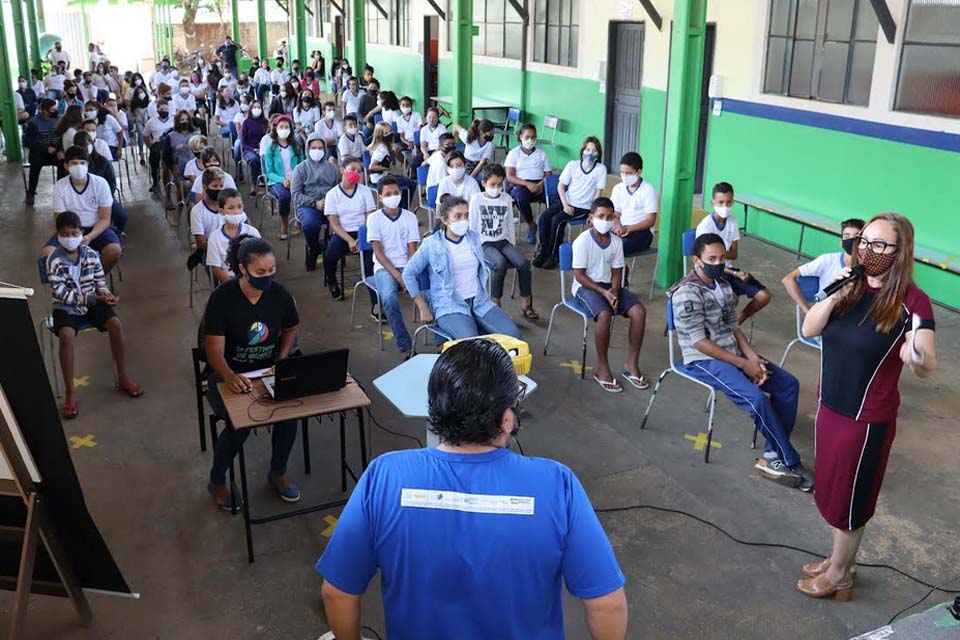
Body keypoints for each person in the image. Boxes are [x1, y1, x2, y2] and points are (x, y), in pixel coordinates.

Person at [317, 338, 628, 640]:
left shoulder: (384, 476)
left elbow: (337, 592)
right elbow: (608, 604)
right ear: (507, 419)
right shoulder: (557, 484)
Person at [796, 213, 937, 601]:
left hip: (865, 419)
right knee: (830, 489)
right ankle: (839, 559)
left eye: (879, 245)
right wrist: (839, 293)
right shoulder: (850, 284)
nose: (867, 250)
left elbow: (927, 363)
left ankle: (841, 574)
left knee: (851, 498)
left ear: (899, 251)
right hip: (830, 407)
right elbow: (810, 329)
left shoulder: (913, 302)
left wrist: (917, 354)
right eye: (864, 241)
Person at [670, 232, 812, 489]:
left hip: (731, 352)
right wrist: (743, 365)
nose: (718, 263)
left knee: (788, 384)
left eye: (722, 257)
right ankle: (790, 460)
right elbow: (699, 343)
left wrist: (753, 358)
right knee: (755, 398)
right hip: (703, 359)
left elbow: (733, 327)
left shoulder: (723, 285)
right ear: (696, 260)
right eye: (711, 258)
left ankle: (771, 455)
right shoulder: (686, 293)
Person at [204, 235, 302, 509]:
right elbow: (213, 350)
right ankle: (217, 479)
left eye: (271, 270)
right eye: (260, 272)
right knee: (240, 425)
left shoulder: (280, 294)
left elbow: (290, 329)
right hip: (228, 374)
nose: (267, 277)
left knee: (289, 415)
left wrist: (281, 360)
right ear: (242, 269)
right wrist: (229, 377)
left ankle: (278, 473)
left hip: (267, 371)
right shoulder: (222, 299)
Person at [46, 211, 142, 420]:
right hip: (66, 307)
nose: (70, 238)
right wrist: (94, 299)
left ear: (81, 233)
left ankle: (123, 377)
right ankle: (71, 392)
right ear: (58, 236)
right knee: (66, 335)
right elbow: (61, 294)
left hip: (92, 302)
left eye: (74, 233)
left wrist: (107, 296)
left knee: (115, 324)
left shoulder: (90, 255)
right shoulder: (53, 261)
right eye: (65, 234)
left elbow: (100, 283)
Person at [404, 196, 521, 340]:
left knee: (514, 336)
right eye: (457, 216)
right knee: (471, 342)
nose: (463, 221)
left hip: (479, 300)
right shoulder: (431, 244)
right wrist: (423, 307)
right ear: (445, 220)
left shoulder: (474, 238)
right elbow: (408, 273)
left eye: (466, 216)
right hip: (449, 304)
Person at [570, 198, 648, 392]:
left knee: (639, 312)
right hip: (586, 287)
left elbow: (617, 270)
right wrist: (603, 292)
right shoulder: (582, 241)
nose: (605, 220)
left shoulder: (616, 242)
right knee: (604, 315)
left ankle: (631, 365)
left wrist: (614, 290)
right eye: (600, 216)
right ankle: (602, 369)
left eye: (609, 217)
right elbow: (579, 275)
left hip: (608, 285)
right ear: (590, 218)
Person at [696, 182, 772, 325]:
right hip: (709, 272)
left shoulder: (732, 221)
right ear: (712, 202)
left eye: (728, 202)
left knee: (764, 296)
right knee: (732, 298)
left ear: (733, 202)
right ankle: (716, 329)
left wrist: (721, 258)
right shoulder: (705, 227)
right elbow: (707, 262)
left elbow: (734, 254)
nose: (725, 207)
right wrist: (730, 266)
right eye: (720, 202)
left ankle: (736, 324)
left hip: (728, 270)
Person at [469, 164, 537, 320]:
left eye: (500, 185)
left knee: (523, 263)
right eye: (492, 185)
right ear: (484, 183)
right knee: (500, 264)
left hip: (503, 241)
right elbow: (472, 226)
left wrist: (511, 246)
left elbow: (509, 225)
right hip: (485, 243)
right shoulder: (476, 199)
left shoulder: (506, 198)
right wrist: (473, 249)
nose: (496, 188)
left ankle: (526, 305)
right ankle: (495, 305)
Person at [362, 177, 421, 357]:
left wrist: (409, 274)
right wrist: (398, 277)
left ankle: (441, 342)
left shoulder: (410, 217)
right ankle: (405, 346)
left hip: (407, 266)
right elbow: (378, 253)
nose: (393, 197)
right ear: (379, 197)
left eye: (396, 193)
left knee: (429, 294)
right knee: (388, 297)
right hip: (384, 268)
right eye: (388, 194)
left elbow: (412, 249)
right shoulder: (374, 219)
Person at [41, 146, 122, 275]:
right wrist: (73, 236)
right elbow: (60, 220)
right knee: (47, 255)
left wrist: (89, 236)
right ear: (66, 166)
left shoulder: (100, 183)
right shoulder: (60, 186)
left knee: (114, 251)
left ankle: (95, 279)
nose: (79, 166)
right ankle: (71, 283)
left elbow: (105, 218)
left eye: (82, 163)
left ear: (87, 165)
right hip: (69, 230)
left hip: (96, 229)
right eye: (74, 163)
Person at [535, 136, 607, 269]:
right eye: (588, 149)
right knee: (544, 218)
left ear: (599, 154)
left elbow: (598, 193)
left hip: (583, 208)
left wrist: (594, 214)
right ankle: (543, 252)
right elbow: (560, 186)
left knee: (558, 220)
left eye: (594, 151)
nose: (590, 153)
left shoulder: (600, 169)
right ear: (582, 151)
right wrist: (565, 205)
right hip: (566, 202)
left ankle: (553, 255)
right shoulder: (572, 165)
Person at [323, 156, 377, 298]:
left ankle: (376, 302)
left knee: (369, 262)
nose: (356, 173)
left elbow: (370, 216)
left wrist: (361, 237)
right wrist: (350, 240)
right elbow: (334, 224)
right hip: (343, 233)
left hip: (364, 232)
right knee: (329, 257)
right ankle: (332, 281)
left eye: (359, 171)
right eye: (352, 169)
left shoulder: (365, 191)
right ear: (342, 170)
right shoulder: (332, 195)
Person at [782, 218, 866, 310]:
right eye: (847, 236)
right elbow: (788, 279)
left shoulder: (870, 267)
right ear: (841, 242)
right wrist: (808, 311)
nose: (851, 240)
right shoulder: (827, 260)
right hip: (825, 314)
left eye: (856, 236)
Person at [292, 132, 340, 271]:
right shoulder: (300, 169)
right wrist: (314, 203)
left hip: (329, 204)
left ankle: (333, 252)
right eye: (314, 148)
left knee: (345, 222)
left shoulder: (332, 168)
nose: (317, 151)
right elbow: (295, 194)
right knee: (310, 225)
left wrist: (328, 200)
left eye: (320, 148)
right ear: (308, 149)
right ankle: (315, 249)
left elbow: (337, 189)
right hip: (308, 205)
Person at [505, 123, 552, 245]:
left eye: (533, 137)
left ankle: (548, 228)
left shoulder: (542, 154)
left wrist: (541, 184)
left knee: (555, 198)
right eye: (527, 137)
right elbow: (510, 176)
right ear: (520, 137)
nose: (530, 140)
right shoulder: (514, 153)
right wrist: (527, 184)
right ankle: (532, 224)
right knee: (520, 197)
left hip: (540, 184)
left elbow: (548, 174)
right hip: (521, 184)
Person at [73, 130, 126, 234]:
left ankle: (117, 232)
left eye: (87, 144)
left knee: (121, 215)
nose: (85, 147)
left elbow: (112, 182)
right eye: (81, 145)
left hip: (103, 197)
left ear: (92, 144)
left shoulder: (102, 162)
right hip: (80, 200)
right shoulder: (74, 165)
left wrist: (104, 197)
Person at [206, 188, 261, 283]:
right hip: (230, 281)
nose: (236, 211)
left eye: (239, 207)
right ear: (221, 211)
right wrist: (234, 286)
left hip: (253, 278)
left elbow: (261, 258)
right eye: (231, 208)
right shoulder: (215, 238)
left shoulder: (252, 232)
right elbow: (216, 269)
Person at [610, 152, 658, 259]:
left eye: (628, 173)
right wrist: (617, 225)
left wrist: (629, 228)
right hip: (621, 228)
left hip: (642, 232)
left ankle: (622, 272)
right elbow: (615, 213)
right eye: (622, 173)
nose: (624, 176)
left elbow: (650, 221)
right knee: (600, 242)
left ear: (638, 172)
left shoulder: (648, 190)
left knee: (619, 247)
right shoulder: (618, 189)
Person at [264, 116, 303, 239]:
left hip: (295, 179)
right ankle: (284, 223)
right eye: (281, 127)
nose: (284, 129)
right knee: (284, 196)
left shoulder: (296, 146)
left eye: (287, 127)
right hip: (277, 181)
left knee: (307, 191)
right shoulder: (271, 148)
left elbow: (302, 166)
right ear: (275, 129)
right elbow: (269, 172)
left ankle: (300, 220)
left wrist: (295, 180)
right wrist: (283, 180)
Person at [367, 121, 416, 208]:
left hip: (384, 176)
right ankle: (403, 209)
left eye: (390, 131)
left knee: (410, 183)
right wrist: (387, 168)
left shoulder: (382, 145)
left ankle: (403, 208)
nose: (389, 134)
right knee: (406, 187)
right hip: (380, 179)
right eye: (386, 133)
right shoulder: (381, 149)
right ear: (380, 135)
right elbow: (372, 166)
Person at [23, 98, 61, 205]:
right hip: (39, 152)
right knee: (35, 166)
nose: (55, 112)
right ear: (45, 110)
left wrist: (59, 149)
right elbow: (28, 142)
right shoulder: (34, 122)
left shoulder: (59, 120)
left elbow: (63, 137)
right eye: (53, 110)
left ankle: (61, 190)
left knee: (64, 163)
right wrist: (45, 148)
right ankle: (31, 192)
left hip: (55, 151)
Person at [190, 168, 227, 255]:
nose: (219, 189)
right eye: (215, 186)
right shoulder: (197, 211)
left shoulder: (228, 206)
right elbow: (201, 244)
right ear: (204, 187)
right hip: (210, 252)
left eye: (221, 186)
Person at [143, 99, 174, 191]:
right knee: (154, 155)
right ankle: (155, 181)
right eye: (162, 109)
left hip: (172, 143)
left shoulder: (173, 120)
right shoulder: (151, 122)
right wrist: (150, 146)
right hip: (158, 143)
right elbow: (145, 135)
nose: (164, 111)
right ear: (157, 110)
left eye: (166, 109)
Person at [239, 100, 268, 195]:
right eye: (254, 107)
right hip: (249, 149)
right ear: (251, 109)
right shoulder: (246, 123)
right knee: (254, 160)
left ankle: (267, 182)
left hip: (263, 148)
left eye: (259, 107)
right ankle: (253, 183)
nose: (257, 110)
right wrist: (253, 149)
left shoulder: (265, 122)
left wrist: (262, 149)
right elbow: (243, 142)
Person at [394, 95, 422, 171]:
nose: (405, 107)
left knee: (416, 152)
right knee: (397, 150)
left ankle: (412, 169)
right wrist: (407, 143)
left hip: (417, 140)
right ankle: (407, 165)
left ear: (411, 106)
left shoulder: (417, 115)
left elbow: (420, 130)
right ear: (400, 106)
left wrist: (415, 142)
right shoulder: (399, 119)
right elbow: (401, 136)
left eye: (407, 105)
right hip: (407, 141)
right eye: (403, 105)